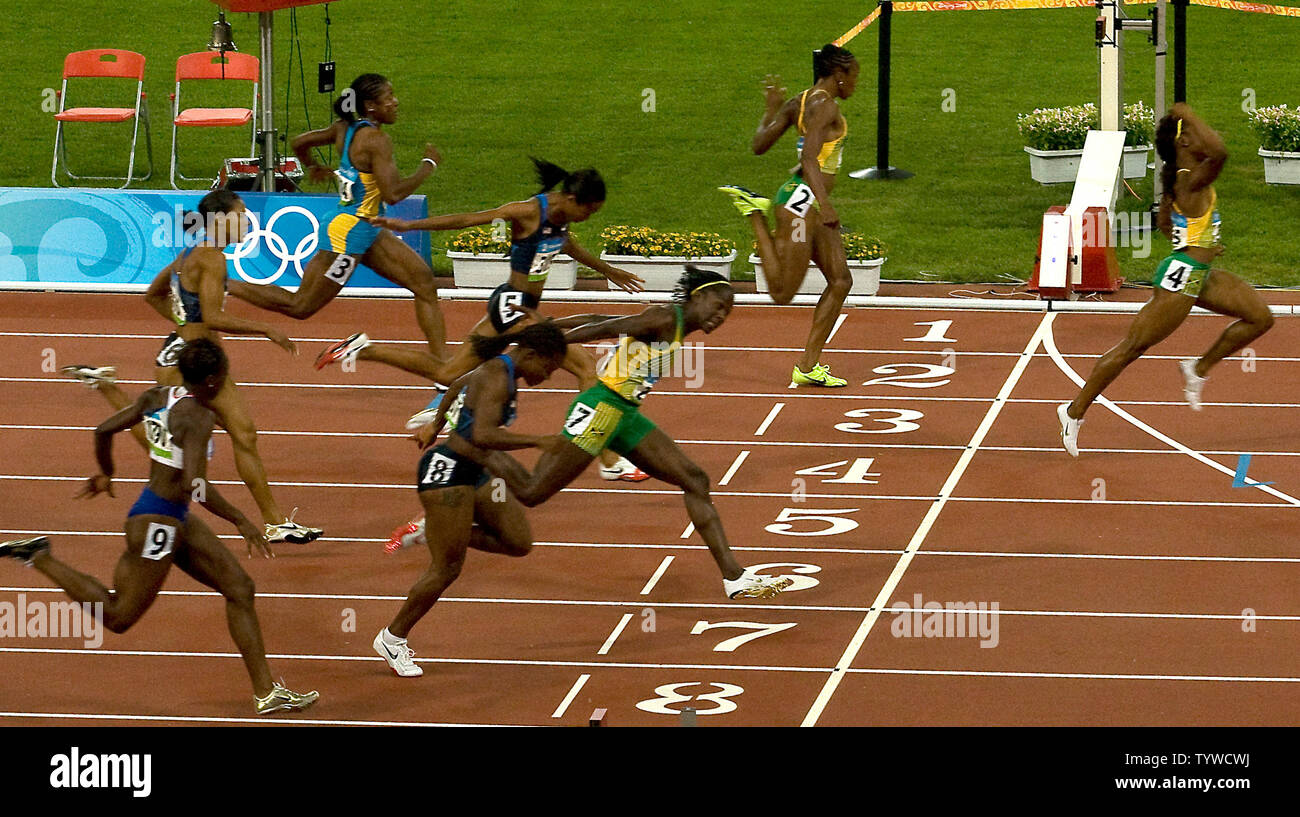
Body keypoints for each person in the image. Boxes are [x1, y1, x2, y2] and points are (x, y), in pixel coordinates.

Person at [1, 340, 319, 714]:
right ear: (214, 378)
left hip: (168, 515)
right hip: (158, 524)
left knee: (240, 587)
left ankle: (266, 692)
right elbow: (194, 485)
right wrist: (242, 520)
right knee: (119, 616)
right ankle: (40, 557)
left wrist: (107, 473)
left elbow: (103, 430)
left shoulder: (157, 396)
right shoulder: (199, 417)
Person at [319, 157, 649, 482]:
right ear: (573, 199)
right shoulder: (529, 212)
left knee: (447, 373)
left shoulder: (563, 218)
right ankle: (609, 460)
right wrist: (408, 226)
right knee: (585, 369)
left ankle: (363, 349)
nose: (589, 218)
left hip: (519, 309)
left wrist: (607, 270)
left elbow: (565, 243)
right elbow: (467, 219)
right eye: (589, 211)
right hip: (513, 310)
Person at [473, 268, 793, 599]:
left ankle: (734, 577)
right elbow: (606, 328)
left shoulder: (672, 323)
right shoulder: (665, 319)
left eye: (727, 312)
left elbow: (601, 315)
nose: (720, 316)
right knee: (532, 492)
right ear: (698, 296)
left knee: (695, 480)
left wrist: (550, 327)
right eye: (718, 306)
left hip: (624, 415)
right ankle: (474, 452)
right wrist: (548, 339)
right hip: (601, 409)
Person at [62, 189, 322, 545]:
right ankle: (109, 388)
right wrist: (264, 328)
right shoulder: (211, 259)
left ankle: (275, 523)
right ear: (221, 219)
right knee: (167, 453)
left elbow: (153, 295)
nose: (248, 220)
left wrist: (184, 323)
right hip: (186, 364)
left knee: (244, 434)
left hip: (202, 357)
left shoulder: (194, 254)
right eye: (241, 213)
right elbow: (214, 315)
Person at [1057, 103, 1275, 456]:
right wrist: (1186, 112)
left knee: (1260, 318)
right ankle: (1073, 411)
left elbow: (1168, 226)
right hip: (1183, 278)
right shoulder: (1190, 175)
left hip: (1196, 272)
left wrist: (1201, 243)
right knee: (1133, 347)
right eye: (1195, 133)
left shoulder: (1181, 177)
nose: (1206, 136)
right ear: (1184, 141)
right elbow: (1220, 151)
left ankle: (1198, 368)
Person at [374, 323, 569, 676]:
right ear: (530, 354)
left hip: (476, 473)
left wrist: (435, 422)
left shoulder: (499, 370)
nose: (549, 376)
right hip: (446, 474)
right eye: (549, 367)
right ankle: (392, 638)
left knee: (518, 541)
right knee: (448, 568)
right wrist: (539, 441)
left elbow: (459, 384)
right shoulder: (498, 375)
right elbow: (483, 433)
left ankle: (428, 531)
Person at [231, 73, 448, 360]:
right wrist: (427, 166)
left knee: (424, 283)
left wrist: (314, 167)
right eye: (389, 98)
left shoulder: (344, 129)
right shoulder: (376, 141)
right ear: (371, 106)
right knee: (301, 306)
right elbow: (393, 194)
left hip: (365, 226)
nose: (395, 103)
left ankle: (443, 371)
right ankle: (222, 282)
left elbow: (300, 143)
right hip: (348, 237)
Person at [719, 43, 860, 389]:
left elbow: (759, 144)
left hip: (807, 203)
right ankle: (754, 212)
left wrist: (769, 111)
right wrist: (826, 205)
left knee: (841, 281)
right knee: (782, 293)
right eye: (854, 77)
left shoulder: (799, 101)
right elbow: (811, 159)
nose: (856, 84)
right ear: (839, 75)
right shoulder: (825, 107)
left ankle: (808, 365)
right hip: (800, 207)